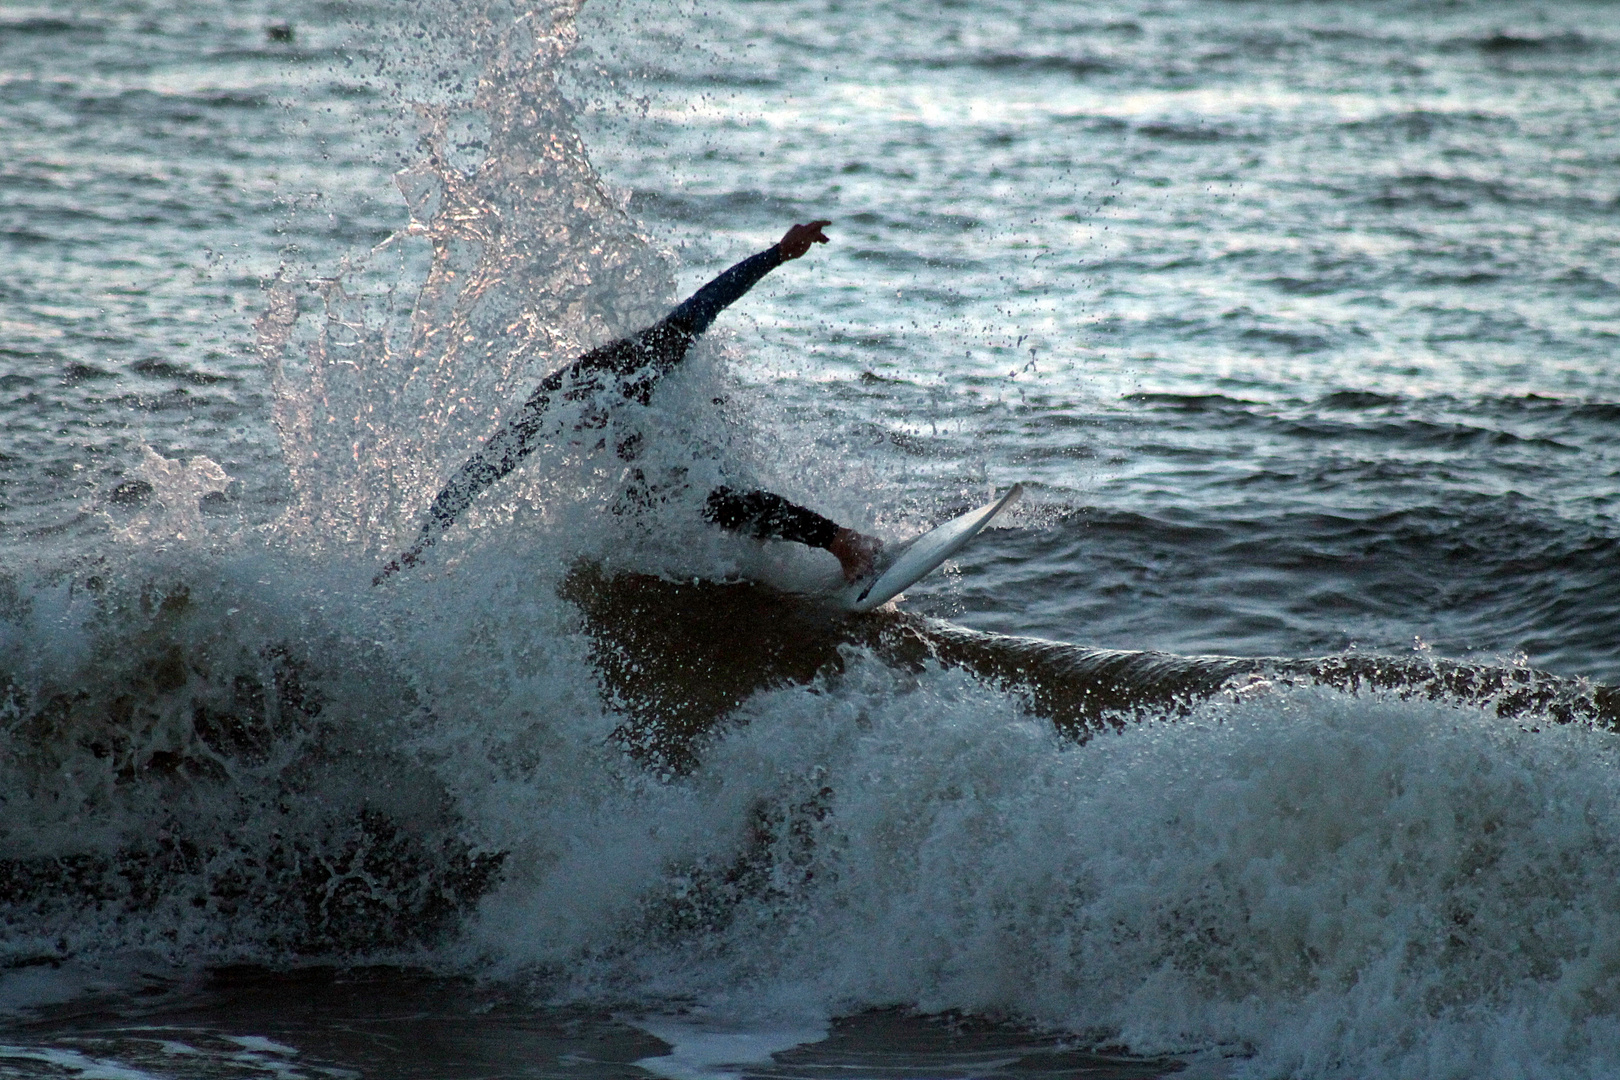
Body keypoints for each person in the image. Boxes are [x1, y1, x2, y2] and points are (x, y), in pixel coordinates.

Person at [374, 220, 882, 585]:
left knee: (711, 497)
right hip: (659, 449)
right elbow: (478, 472)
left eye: (600, 410)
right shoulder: (551, 407)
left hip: (696, 419)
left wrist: (777, 253)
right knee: (626, 526)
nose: (593, 421)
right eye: (587, 415)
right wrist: (421, 545)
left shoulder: (648, 355)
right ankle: (755, 571)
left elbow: (710, 300)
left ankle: (843, 541)